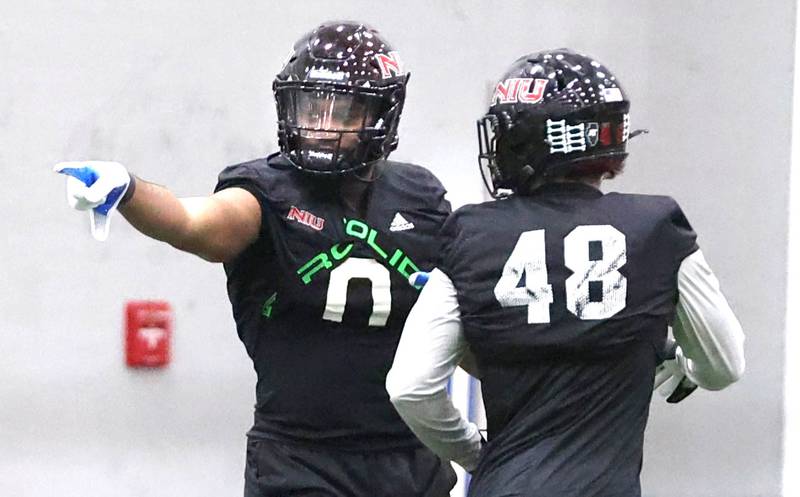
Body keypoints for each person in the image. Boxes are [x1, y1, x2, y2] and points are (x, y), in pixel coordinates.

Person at [56, 21, 456, 497]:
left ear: (380, 115)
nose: (322, 127)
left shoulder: (421, 195)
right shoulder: (267, 190)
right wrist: (129, 189)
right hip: (302, 462)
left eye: (342, 112)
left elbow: (467, 312)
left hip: (409, 460)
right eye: (311, 107)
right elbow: (193, 223)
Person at [386, 49, 746, 497]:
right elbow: (725, 365)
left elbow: (411, 387)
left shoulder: (471, 234)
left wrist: (477, 453)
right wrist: (685, 362)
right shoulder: (658, 228)